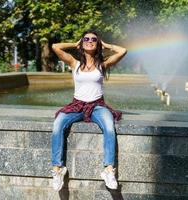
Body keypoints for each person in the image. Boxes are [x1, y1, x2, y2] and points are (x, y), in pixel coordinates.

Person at [51, 31, 127, 191]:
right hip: (77, 105)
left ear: (97, 43)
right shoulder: (74, 63)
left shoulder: (103, 64)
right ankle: (58, 169)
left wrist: (107, 45)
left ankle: (108, 170)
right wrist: (75, 43)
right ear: (82, 42)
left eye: (94, 39)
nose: (90, 41)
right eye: (86, 39)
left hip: (98, 106)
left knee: (109, 128)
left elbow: (123, 51)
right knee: (58, 124)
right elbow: (55, 46)